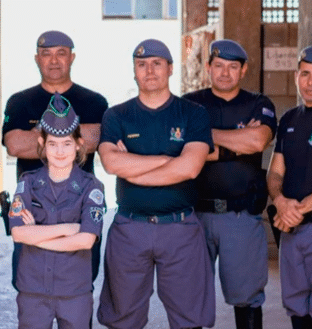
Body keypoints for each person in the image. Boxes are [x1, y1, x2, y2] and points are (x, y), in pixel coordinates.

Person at [97, 39, 215, 329]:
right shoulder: (116, 115)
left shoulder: (193, 113)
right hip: (129, 228)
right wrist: (167, 159)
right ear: (134, 71)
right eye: (141, 64)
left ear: (170, 68)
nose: (149, 70)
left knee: (189, 318)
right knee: (122, 317)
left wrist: (133, 169)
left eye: (157, 63)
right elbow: (111, 164)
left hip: (180, 228)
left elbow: (191, 167)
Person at [183, 39, 277, 329]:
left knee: (247, 296)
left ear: (244, 70)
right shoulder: (189, 104)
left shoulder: (259, 103)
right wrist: (236, 142)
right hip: (194, 216)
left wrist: (206, 137)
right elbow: (183, 150)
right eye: (219, 66)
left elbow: (258, 140)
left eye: (232, 67)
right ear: (208, 68)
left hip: (240, 216)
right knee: (190, 295)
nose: (225, 73)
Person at [2, 30, 107, 283]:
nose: (53, 60)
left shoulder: (94, 102)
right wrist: (72, 135)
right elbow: (14, 146)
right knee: (31, 286)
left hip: (80, 205)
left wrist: (37, 135)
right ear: (36, 59)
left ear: (72, 57)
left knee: (81, 287)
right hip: (32, 208)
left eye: (61, 53)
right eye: (46, 54)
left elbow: (98, 140)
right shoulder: (19, 102)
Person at [9, 93, 104, 329]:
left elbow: (85, 240)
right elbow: (19, 234)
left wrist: (37, 235)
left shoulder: (91, 187)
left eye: (67, 143)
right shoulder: (27, 183)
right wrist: (67, 229)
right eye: (52, 143)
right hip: (33, 290)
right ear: (42, 143)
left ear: (79, 144)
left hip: (74, 291)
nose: (60, 151)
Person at [267, 45, 312, 329]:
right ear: (297, 76)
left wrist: (300, 207)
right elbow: (275, 171)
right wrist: (281, 202)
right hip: (292, 230)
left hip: (301, 218)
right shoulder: (289, 120)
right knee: (296, 305)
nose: (311, 83)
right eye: (306, 74)